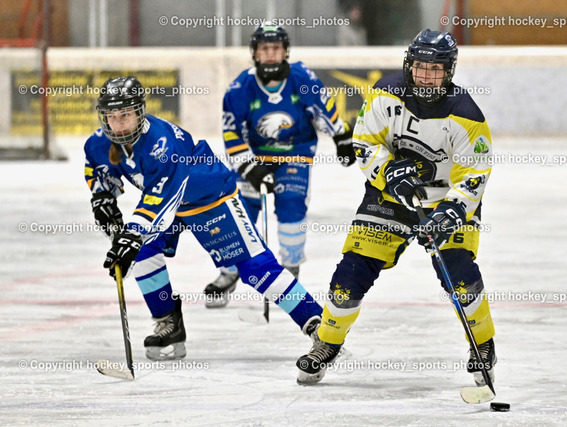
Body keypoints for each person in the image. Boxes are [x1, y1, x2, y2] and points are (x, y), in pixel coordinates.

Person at [296, 29, 497, 386]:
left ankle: (482, 345)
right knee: (352, 271)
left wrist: (451, 212)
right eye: (421, 67)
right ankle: (326, 342)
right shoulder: (384, 93)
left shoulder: (467, 115)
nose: (426, 76)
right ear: (409, 65)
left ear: (449, 71)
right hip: (389, 195)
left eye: (435, 69)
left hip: (446, 201)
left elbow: (474, 173)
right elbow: (364, 142)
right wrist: (388, 172)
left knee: (460, 275)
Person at [84, 76, 323, 361]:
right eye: (111, 116)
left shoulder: (162, 142)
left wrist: (131, 235)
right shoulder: (98, 143)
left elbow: (161, 199)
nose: (118, 123)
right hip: (169, 203)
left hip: (210, 197)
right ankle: (168, 323)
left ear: (140, 112)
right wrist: (102, 197)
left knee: (255, 268)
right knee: (143, 251)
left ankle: (318, 326)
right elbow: (99, 170)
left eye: (125, 115)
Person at [203, 22, 356, 308]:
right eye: (265, 49)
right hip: (255, 157)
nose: (271, 54)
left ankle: (289, 271)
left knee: (291, 206)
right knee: (239, 213)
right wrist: (249, 167)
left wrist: (341, 136)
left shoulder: (302, 78)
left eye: (276, 48)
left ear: (286, 51)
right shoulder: (240, 88)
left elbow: (324, 108)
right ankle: (230, 270)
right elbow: (231, 132)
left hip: (295, 154)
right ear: (255, 53)